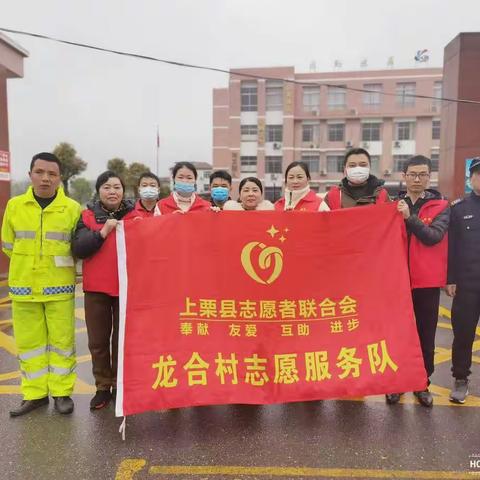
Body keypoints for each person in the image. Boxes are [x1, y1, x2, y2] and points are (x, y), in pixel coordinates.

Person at [1, 152, 81, 417]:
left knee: (62, 343)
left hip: (59, 290)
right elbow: (8, 245)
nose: (45, 178)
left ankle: (61, 393)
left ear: (60, 178)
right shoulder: (15, 206)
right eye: (40, 172)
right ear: (30, 174)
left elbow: (76, 246)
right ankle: (34, 394)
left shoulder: (72, 209)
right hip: (24, 289)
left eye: (52, 174)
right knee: (29, 345)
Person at [385, 155, 449, 408]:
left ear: (429, 177)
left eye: (422, 174)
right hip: (396, 281)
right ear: (404, 176)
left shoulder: (441, 206)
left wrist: (409, 217)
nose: (417, 179)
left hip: (426, 282)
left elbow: (433, 236)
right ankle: (396, 383)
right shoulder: (392, 203)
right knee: (396, 333)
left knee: (425, 334)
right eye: (412, 174)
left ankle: (422, 383)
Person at [72, 171, 137, 410]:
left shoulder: (135, 216)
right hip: (96, 290)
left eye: (117, 187)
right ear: (99, 191)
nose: (112, 191)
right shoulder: (87, 216)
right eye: (107, 187)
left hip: (127, 289)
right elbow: (79, 248)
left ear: (124, 191)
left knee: (122, 341)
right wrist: (102, 232)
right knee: (98, 341)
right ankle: (102, 387)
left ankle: (120, 384)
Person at [446, 157, 480, 404]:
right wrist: (450, 279)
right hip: (467, 285)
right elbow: (451, 248)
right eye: (478, 173)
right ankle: (460, 379)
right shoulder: (459, 209)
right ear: (471, 178)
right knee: (463, 335)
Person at [324, 148, 390, 209]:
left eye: (363, 165)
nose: (357, 169)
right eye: (352, 165)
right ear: (345, 169)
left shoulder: (382, 195)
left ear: (369, 168)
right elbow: (321, 219)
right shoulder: (332, 196)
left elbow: (391, 218)